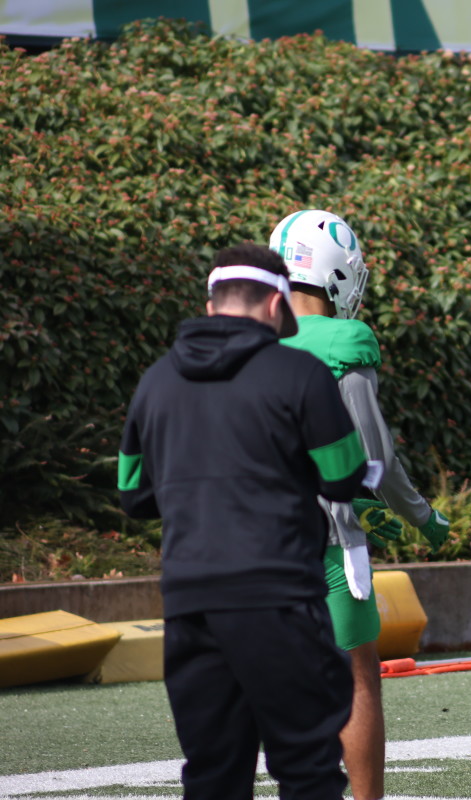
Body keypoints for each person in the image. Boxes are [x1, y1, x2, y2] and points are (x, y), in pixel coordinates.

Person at [118, 243, 367, 799]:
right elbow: (344, 476)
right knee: (307, 768)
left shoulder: (155, 382)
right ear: (278, 306)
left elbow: (133, 495)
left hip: (191, 605)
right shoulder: (299, 372)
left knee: (212, 773)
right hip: (279, 598)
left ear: (211, 307)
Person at [270, 209, 451, 800]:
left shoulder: (246, 337)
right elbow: (374, 459)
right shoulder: (346, 342)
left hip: (248, 539)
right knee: (357, 678)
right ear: (336, 274)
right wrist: (422, 516)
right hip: (325, 539)